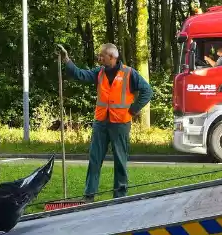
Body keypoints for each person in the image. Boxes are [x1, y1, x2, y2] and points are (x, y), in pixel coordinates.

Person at [57, 43, 154, 200]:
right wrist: (67, 60)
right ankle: (89, 195)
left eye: (102, 55)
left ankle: (120, 195)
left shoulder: (130, 73)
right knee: (94, 159)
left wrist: (133, 109)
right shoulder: (99, 72)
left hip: (121, 124)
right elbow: (80, 75)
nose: (99, 58)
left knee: (120, 160)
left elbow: (147, 91)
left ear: (112, 57)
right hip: (101, 123)